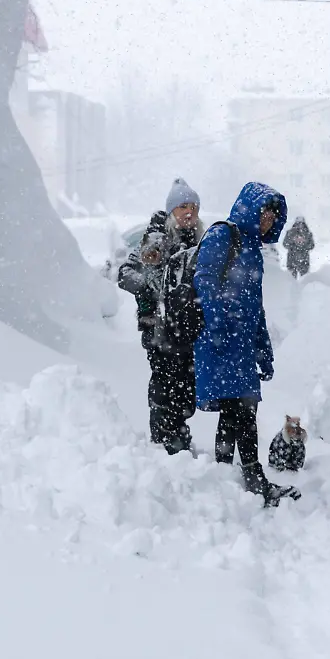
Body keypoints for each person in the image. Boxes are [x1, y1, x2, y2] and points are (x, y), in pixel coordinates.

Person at [194, 182, 301, 506]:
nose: (268, 219)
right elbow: (204, 281)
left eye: (273, 214)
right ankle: (250, 479)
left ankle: (231, 478)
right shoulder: (223, 236)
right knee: (239, 411)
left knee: (239, 411)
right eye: (264, 211)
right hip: (220, 342)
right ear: (250, 209)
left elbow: (255, 306)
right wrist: (215, 325)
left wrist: (263, 349)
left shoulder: (254, 250)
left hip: (239, 345)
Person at [117, 178, 205, 455]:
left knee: (186, 387)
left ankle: (177, 434)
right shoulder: (157, 238)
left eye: (193, 207)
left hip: (187, 331)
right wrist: (154, 290)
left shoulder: (199, 241)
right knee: (165, 384)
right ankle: (165, 439)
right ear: (171, 213)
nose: (189, 212)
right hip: (159, 331)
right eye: (182, 207)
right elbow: (125, 274)